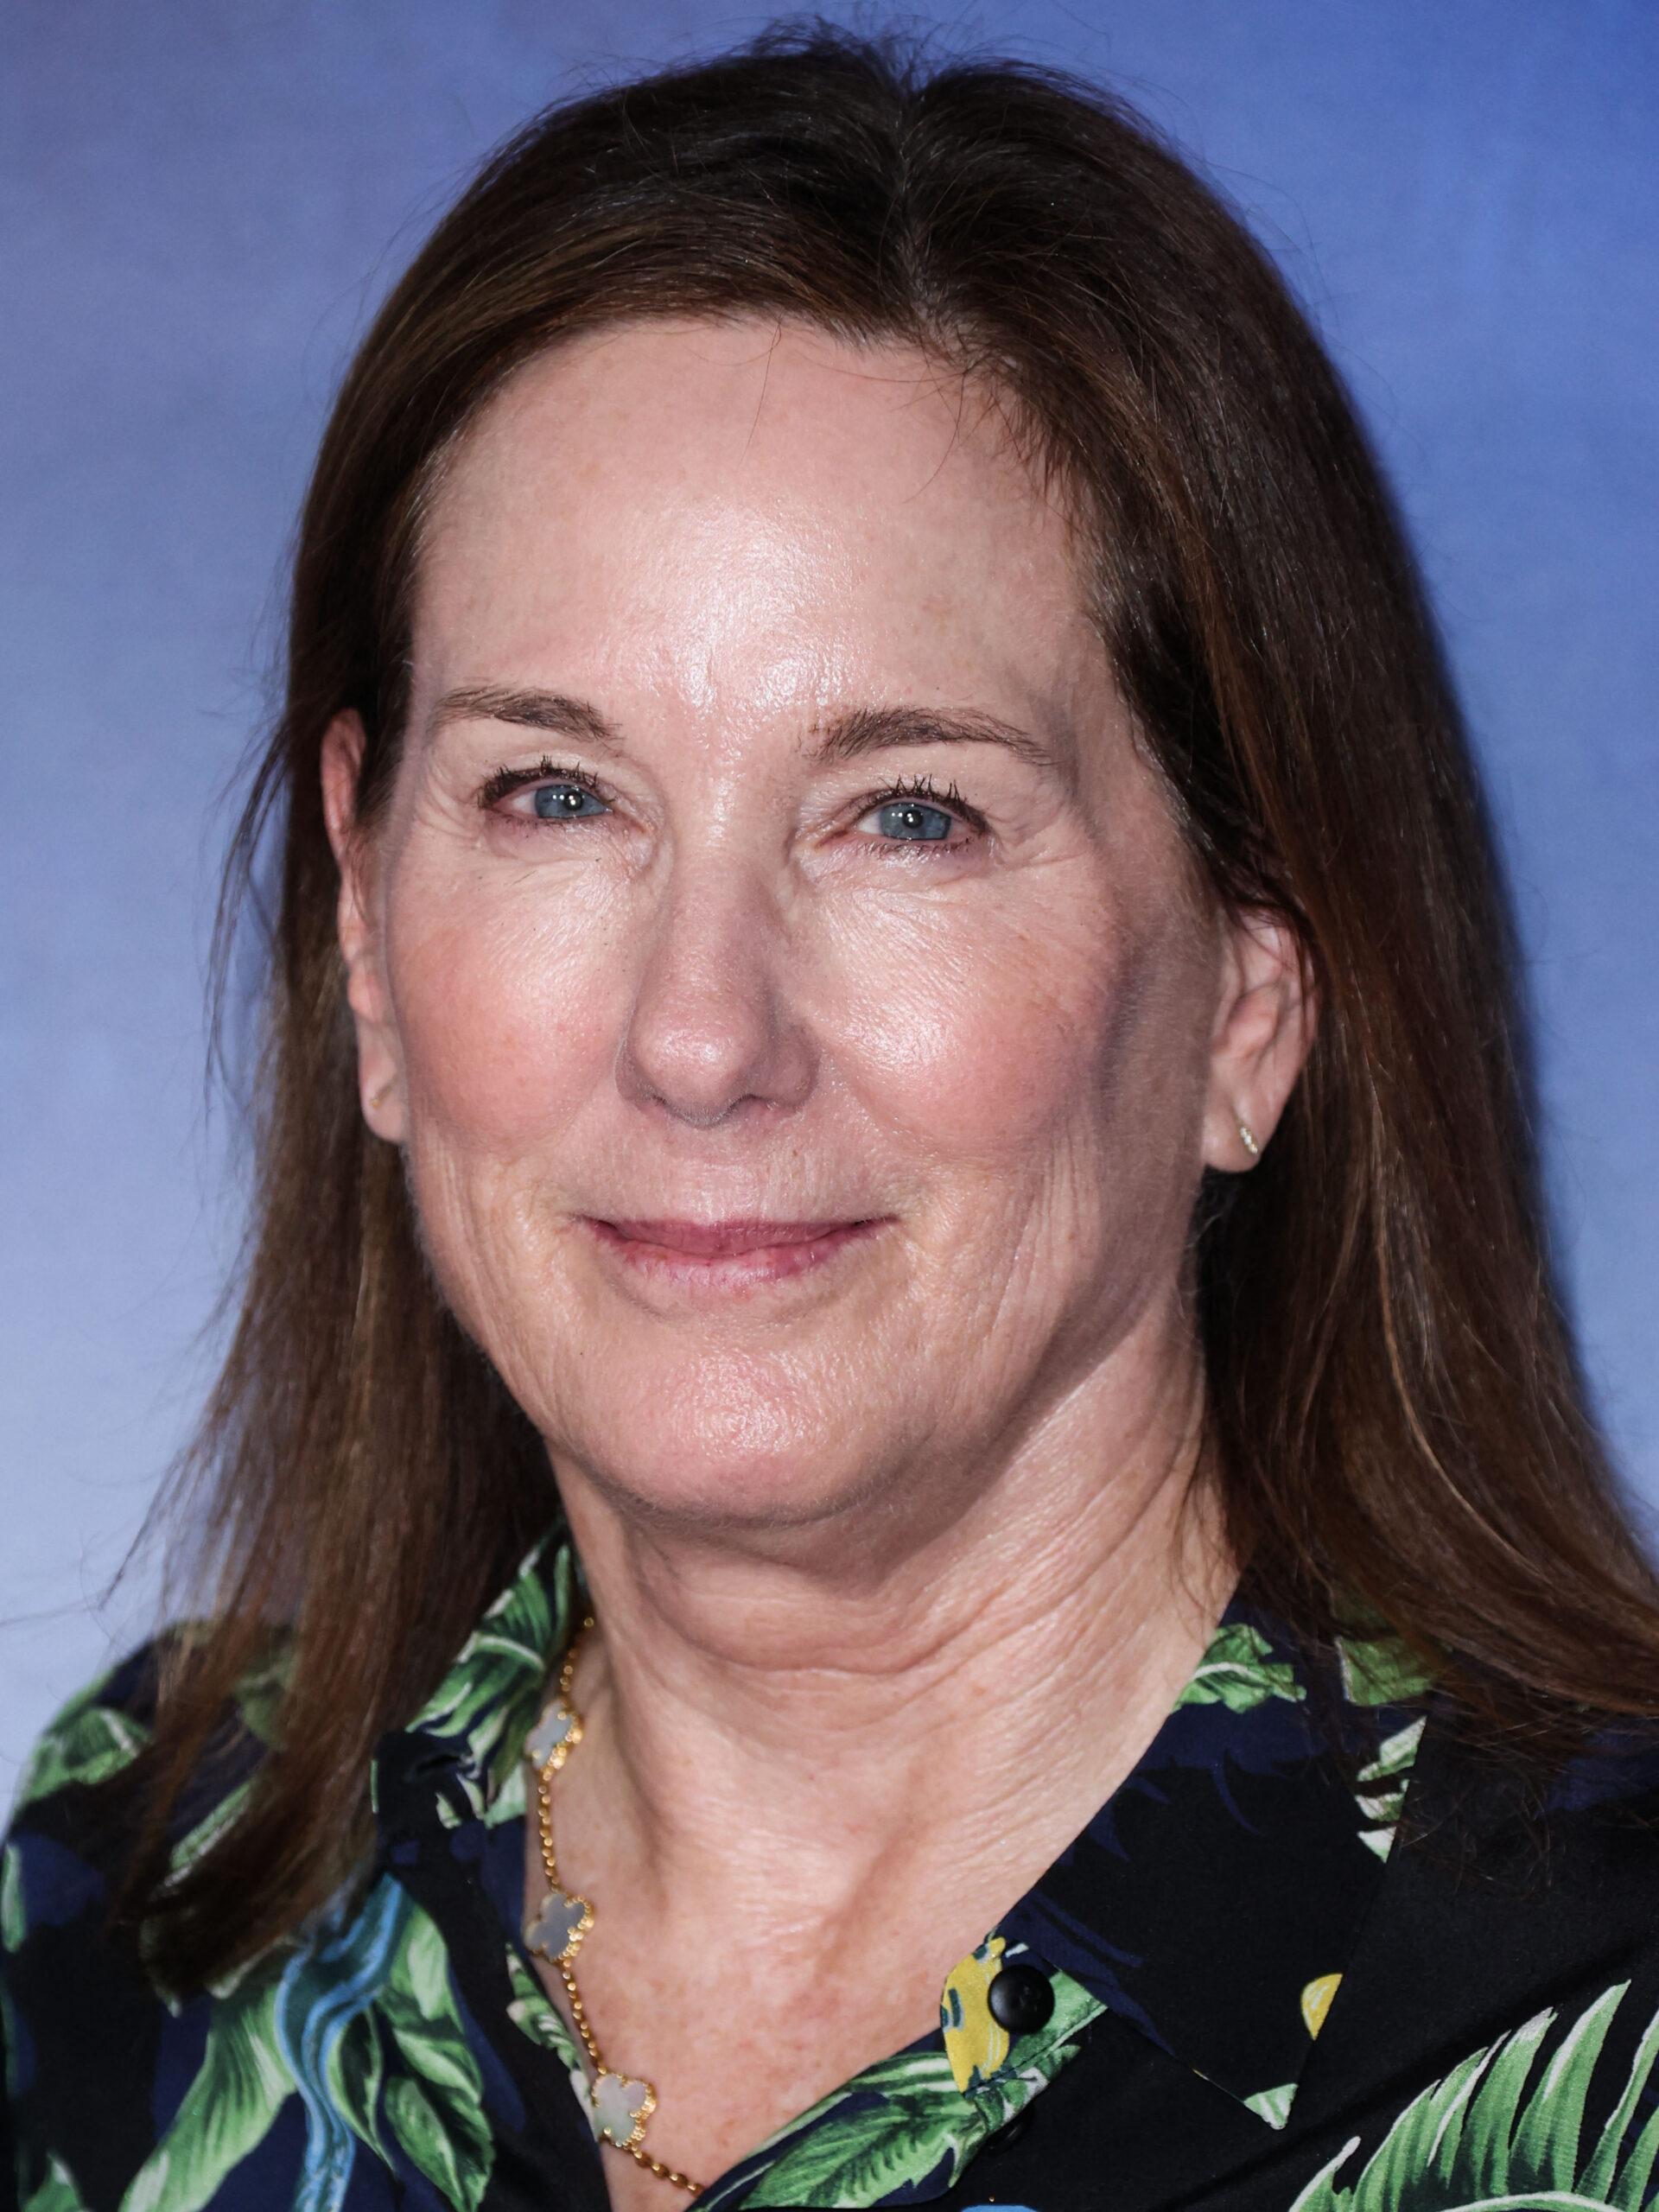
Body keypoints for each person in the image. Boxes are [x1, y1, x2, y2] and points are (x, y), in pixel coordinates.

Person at [5, 25, 1659, 2212]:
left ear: (1254, 994)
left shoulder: (1603, 2034)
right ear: (372, 930)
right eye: (557, 793)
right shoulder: (144, 1899)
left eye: (907, 813)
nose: (704, 1035)